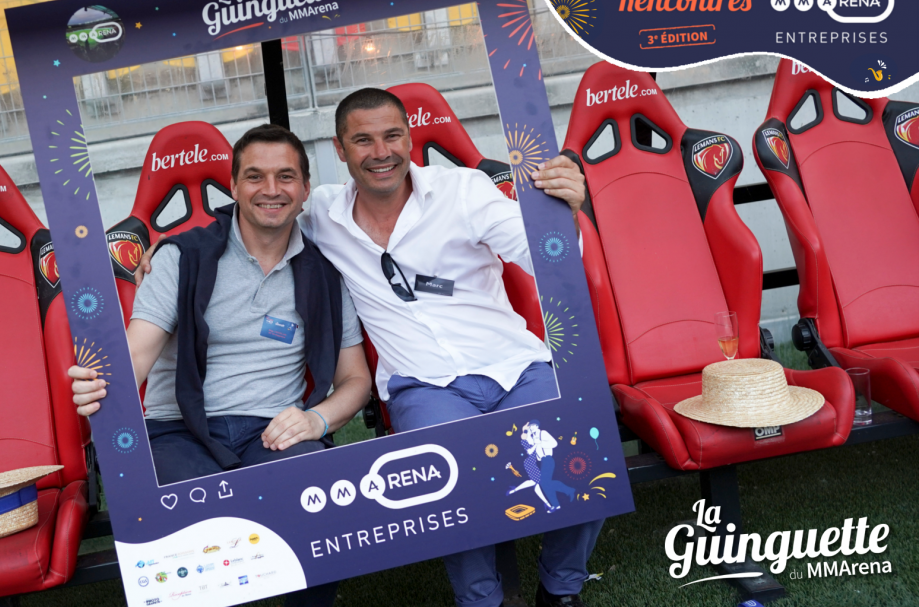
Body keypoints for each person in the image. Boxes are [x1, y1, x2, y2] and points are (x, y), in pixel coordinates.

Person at [301, 87, 599, 607]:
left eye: (393, 136)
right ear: (339, 148)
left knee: (578, 450)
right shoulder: (323, 214)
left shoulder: (463, 190)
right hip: (423, 384)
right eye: (363, 140)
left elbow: (545, 255)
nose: (381, 152)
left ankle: (561, 587)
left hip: (514, 365)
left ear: (410, 138)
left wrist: (566, 213)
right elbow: (257, 220)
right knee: (446, 478)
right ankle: (480, 600)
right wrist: (166, 253)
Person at [69, 124, 372, 607]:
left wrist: (317, 419)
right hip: (178, 429)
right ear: (233, 186)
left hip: (269, 429)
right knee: (194, 526)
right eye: (255, 176)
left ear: (305, 189)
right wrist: (101, 385)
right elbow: (136, 355)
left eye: (285, 176)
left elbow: (355, 379)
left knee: (319, 494)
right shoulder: (182, 258)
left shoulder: (325, 272)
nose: (271, 189)